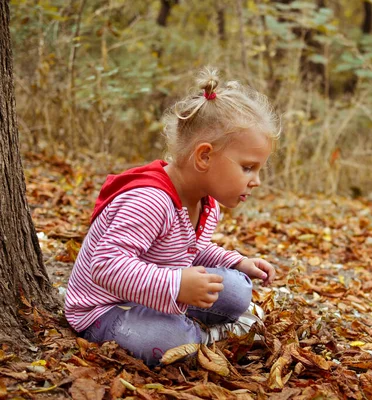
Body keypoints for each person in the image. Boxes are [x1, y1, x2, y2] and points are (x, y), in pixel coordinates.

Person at [64, 67, 279, 367]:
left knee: (238, 289)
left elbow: (190, 248)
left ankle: (199, 329)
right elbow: (105, 266)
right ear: (204, 156)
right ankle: (204, 338)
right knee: (168, 341)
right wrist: (177, 285)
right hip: (104, 308)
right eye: (247, 167)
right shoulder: (150, 200)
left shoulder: (206, 203)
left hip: (154, 289)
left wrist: (237, 262)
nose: (255, 181)